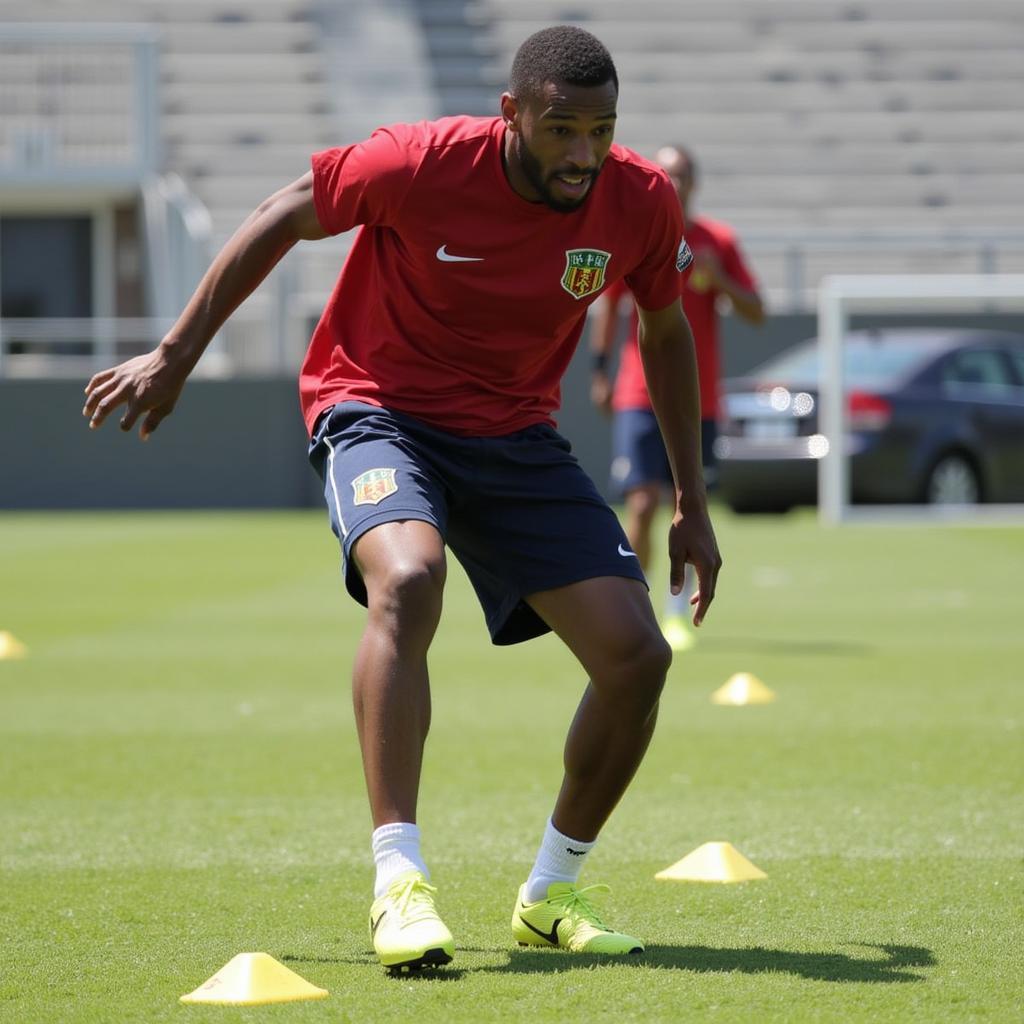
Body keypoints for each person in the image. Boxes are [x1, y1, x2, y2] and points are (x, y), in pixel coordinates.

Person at [82, 26, 721, 972]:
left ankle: (551, 893)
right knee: (410, 579)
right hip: (375, 409)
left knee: (635, 657)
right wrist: (176, 356)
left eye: (600, 129)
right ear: (512, 115)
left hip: (514, 435)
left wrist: (691, 502)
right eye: (560, 130)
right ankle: (399, 882)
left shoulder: (640, 200)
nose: (583, 154)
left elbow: (665, 336)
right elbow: (281, 212)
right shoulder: (419, 162)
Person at [591, 145, 763, 652]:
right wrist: (600, 372)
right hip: (638, 393)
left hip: (696, 401)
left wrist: (721, 279)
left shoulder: (716, 242)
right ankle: (638, 604)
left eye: (682, 175)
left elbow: (757, 311)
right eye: (666, 174)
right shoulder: (638, 231)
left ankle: (674, 611)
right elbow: (609, 308)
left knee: (686, 505)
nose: (675, 182)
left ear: (694, 183)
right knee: (641, 503)